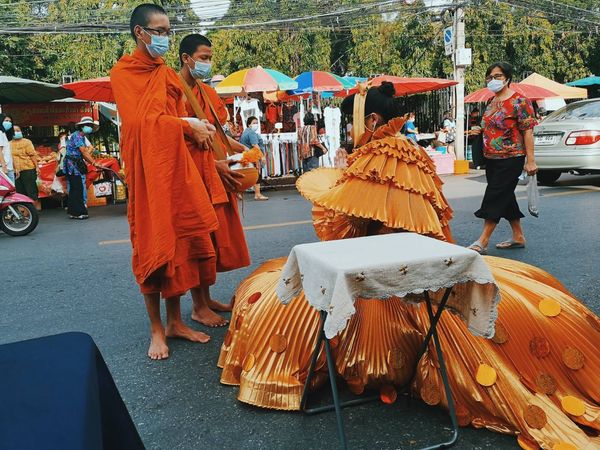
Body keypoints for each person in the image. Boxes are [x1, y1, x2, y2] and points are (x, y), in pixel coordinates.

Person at [217, 81, 600, 450]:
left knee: (270, 300)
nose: (348, 130)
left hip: (388, 277)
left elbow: (351, 230)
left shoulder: (375, 156)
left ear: (369, 123)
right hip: (431, 265)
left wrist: (334, 185)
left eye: (351, 122)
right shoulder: (408, 150)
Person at [111, 3, 220, 360]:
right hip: (147, 171)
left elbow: (179, 116)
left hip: (176, 169)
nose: (164, 38)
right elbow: (143, 125)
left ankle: (175, 321)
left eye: (167, 31)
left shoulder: (167, 74)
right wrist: (186, 126)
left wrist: (196, 129)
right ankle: (156, 329)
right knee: (151, 245)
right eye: (157, 31)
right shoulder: (123, 73)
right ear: (139, 33)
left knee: (181, 244)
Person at [178, 33, 251, 324]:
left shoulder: (206, 93)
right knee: (200, 239)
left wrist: (239, 148)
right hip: (193, 174)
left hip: (214, 172)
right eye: (203, 58)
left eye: (209, 58)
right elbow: (178, 142)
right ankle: (198, 306)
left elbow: (218, 133)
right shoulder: (176, 92)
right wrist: (212, 163)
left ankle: (206, 299)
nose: (207, 63)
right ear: (186, 58)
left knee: (214, 238)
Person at [469, 62, 538, 254]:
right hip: (491, 157)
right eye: (490, 77)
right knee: (505, 195)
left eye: (497, 76)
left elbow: (528, 132)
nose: (493, 80)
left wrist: (530, 160)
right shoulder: (491, 102)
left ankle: (483, 240)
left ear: (507, 78)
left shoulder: (520, 102)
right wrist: (478, 130)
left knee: (496, 194)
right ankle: (518, 235)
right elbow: (488, 126)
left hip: (512, 156)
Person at [63, 117, 103, 219]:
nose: (89, 128)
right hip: (73, 165)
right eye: (88, 125)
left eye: (90, 126)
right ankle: (79, 212)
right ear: (82, 127)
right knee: (77, 188)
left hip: (75, 163)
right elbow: (84, 152)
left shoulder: (81, 137)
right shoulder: (77, 136)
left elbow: (85, 152)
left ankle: (73, 212)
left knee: (74, 188)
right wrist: (94, 163)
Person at [10, 125, 41, 210]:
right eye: (14, 131)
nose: (16, 132)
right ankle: (24, 209)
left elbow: (32, 155)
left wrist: (37, 167)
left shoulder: (27, 142)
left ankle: (34, 209)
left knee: (31, 190)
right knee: (19, 191)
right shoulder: (9, 143)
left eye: (18, 130)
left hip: (28, 168)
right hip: (15, 170)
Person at [239, 116, 268, 200]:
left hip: (247, 157)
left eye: (256, 123)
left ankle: (239, 193)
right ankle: (257, 194)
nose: (256, 125)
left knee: (247, 176)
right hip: (253, 157)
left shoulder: (246, 132)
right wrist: (262, 156)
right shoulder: (251, 133)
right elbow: (255, 145)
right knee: (257, 175)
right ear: (249, 124)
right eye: (254, 123)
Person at [0, 114, 14, 183]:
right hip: (4, 168)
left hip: (9, 167)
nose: (8, 123)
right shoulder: (0, 133)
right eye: (6, 120)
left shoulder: (4, 133)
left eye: (10, 121)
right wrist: (4, 166)